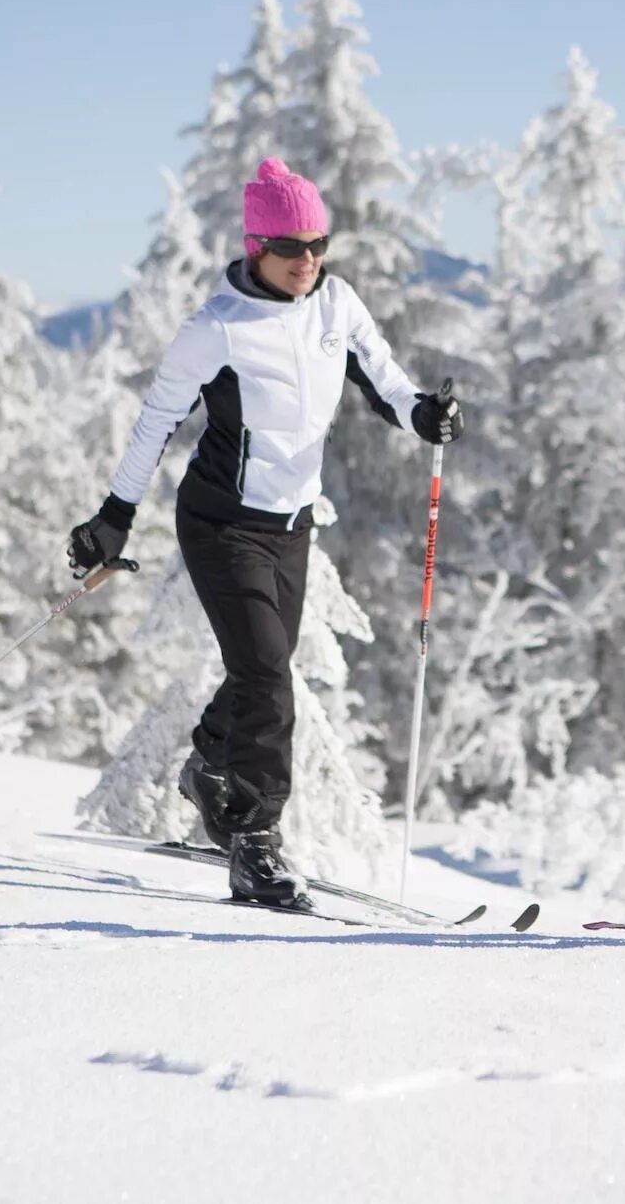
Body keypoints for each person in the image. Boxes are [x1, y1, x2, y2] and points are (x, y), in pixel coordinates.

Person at [68, 157, 462, 911]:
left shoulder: (333, 305)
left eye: (318, 245)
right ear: (256, 249)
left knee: (263, 667)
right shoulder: (216, 328)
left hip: (292, 525)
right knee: (267, 679)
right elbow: (156, 421)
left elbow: (382, 375)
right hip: (221, 524)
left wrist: (422, 413)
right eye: (292, 249)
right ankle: (254, 842)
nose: (308, 260)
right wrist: (115, 514)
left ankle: (211, 764)